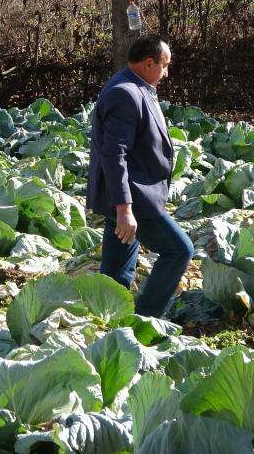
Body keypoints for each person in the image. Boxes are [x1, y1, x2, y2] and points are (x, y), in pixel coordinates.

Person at [87, 35, 194, 318]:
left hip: (129, 198)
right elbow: (114, 154)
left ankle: (111, 321)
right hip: (133, 199)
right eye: (165, 65)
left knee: (116, 271)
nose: (166, 72)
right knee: (179, 250)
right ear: (149, 63)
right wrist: (124, 209)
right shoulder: (125, 93)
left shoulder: (134, 86)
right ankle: (146, 317)